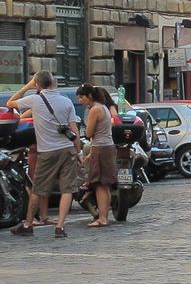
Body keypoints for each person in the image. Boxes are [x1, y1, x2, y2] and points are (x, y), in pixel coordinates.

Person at [7, 71, 80, 238]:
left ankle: (28, 224)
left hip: (47, 151)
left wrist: (28, 86)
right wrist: (78, 151)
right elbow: (73, 129)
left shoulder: (35, 99)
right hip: (67, 149)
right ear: (53, 83)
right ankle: (60, 227)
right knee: (67, 189)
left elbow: (10, 103)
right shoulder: (67, 101)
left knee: (38, 189)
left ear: (37, 85)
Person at [77, 84, 115, 228]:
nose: (80, 100)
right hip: (106, 147)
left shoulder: (95, 110)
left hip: (101, 148)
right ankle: (104, 216)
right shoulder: (104, 107)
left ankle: (103, 218)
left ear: (90, 96)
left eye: (82, 97)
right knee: (104, 185)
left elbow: (89, 133)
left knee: (99, 184)